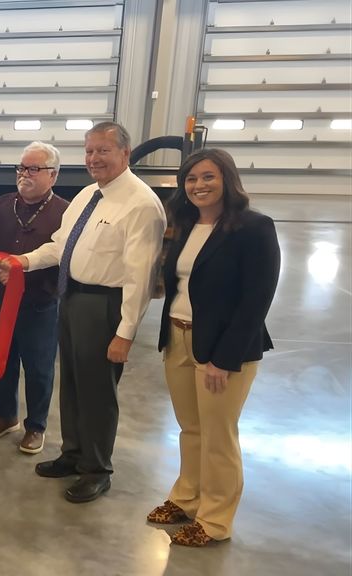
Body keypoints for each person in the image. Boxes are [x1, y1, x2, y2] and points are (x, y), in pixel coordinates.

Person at [0, 121, 166, 502]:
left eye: (103, 150)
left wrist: (125, 332)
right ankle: (73, 454)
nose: (94, 158)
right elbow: (60, 246)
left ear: (125, 153)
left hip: (104, 305)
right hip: (71, 299)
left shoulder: (140, 204)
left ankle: (97, 468)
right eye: (89, 151)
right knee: (72, 384)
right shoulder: (88, 195)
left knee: (97, 392)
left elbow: (141, 277)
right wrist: (22, 261)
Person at [147, 148, 280, 547]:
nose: (198, 185)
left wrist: (225, 358)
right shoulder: (187, 225)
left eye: (208, 177)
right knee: (191, 428)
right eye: (191, 179)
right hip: (179, 337)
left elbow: (257, 300)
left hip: (223, 349)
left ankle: (215, 520)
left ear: (227, 180)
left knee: (218, 435)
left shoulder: (254, 227)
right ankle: (186, 498)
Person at [0, 141, 68, 454]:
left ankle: (36, 426)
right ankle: (5, 415)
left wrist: (22, 273)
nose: (25, 174)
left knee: (39, 367)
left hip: (40, 303)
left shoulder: (64, 213)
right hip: (0, 302)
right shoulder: (0, 206)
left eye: (34, 168)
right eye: (22, 167)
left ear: (52, 176)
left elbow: (62, 258)